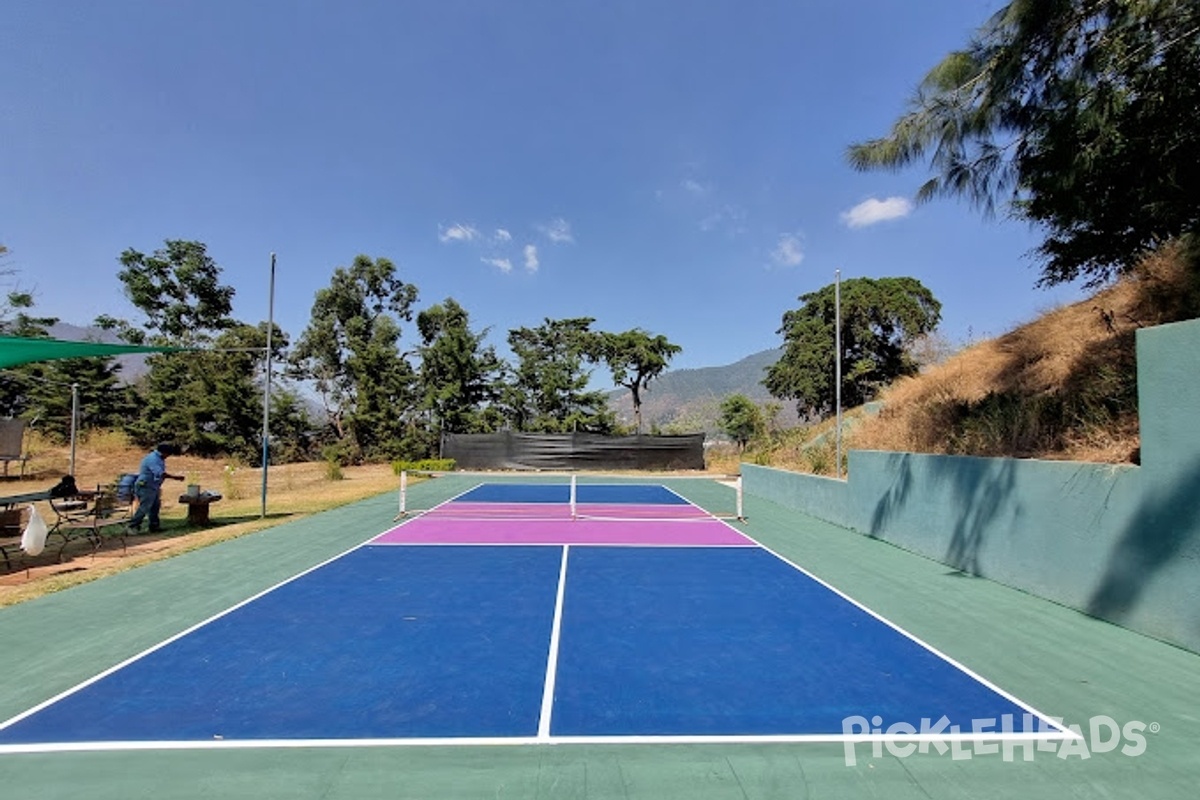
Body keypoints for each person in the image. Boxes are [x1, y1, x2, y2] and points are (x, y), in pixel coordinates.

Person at [127, 443, 185, 533]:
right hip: (145, 486)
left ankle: (154, 526)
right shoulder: (153, 459)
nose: (168, 457)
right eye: (168, 454)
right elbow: (160, 473)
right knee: (145, 507)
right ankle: (132, 526)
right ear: (164, 452)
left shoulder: (159, 459)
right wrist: (176, 477)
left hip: (153, 486)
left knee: (155, 507)